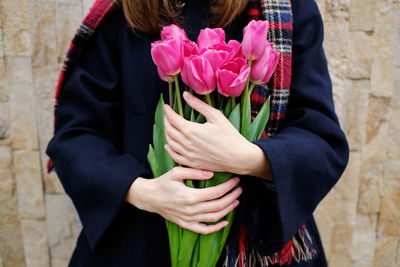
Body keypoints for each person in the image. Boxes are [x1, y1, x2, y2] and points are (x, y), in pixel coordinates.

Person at [45, 0, 349, 266]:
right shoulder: (121, 11)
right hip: (137, 240)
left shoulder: (287, 9)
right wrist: (143, 193)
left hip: (253, 245)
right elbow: (77, 135)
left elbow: (321, 139)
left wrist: (247, 157)